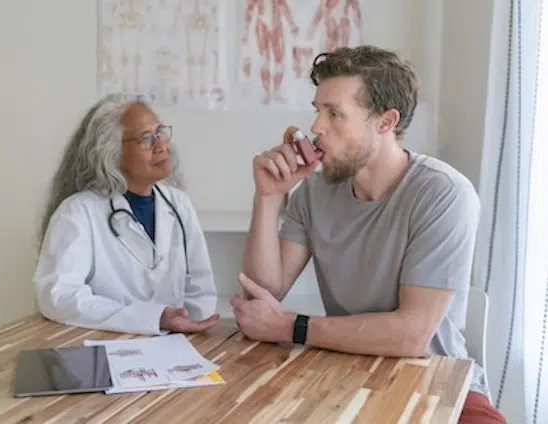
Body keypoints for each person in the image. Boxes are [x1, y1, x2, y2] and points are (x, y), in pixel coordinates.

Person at [231, 46, 506, 423]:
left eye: (334, 114)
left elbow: (411, 335)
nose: (316, 127)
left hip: (439, 381)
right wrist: (269, 197)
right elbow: (262, 295)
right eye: (317, 110)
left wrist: (289, 326)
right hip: (348, 374)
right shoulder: (314, 192)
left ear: (385, 121)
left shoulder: (443, 194)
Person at [34, 93, 219, 336]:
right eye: (146, 138)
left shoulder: (178, 204)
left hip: (174, 348)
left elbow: (200, 290)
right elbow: (59, 295)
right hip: (104, 345)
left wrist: (190, 324)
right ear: (110, 152)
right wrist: (151, 318)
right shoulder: (78, 212)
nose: (162, 145)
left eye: (161, 132)